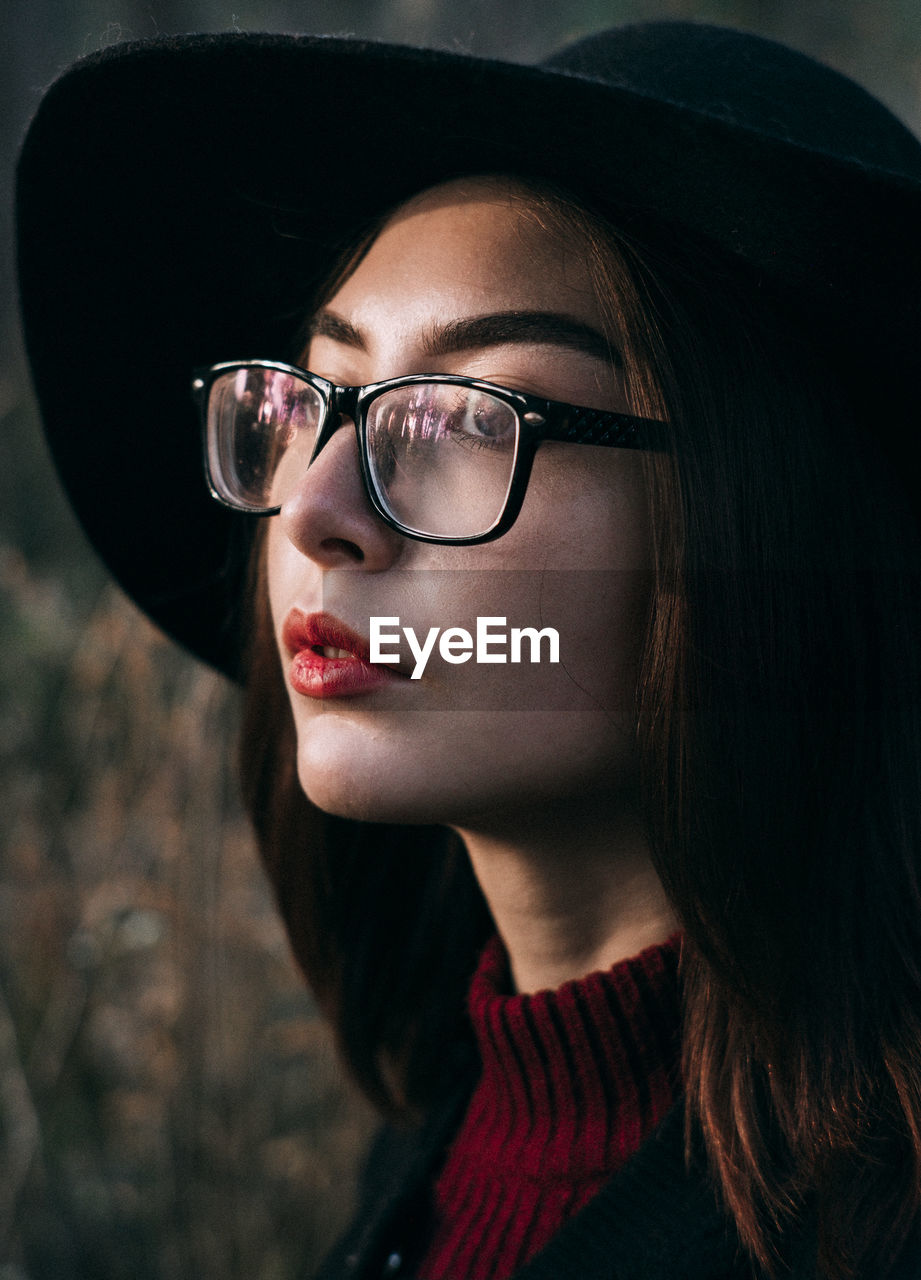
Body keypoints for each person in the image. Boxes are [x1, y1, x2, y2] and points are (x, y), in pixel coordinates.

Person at [15, 18, 921, 1280]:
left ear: (762, 516)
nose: (317, 511)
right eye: (312, 400)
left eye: (460, 417)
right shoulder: (439, 1150)